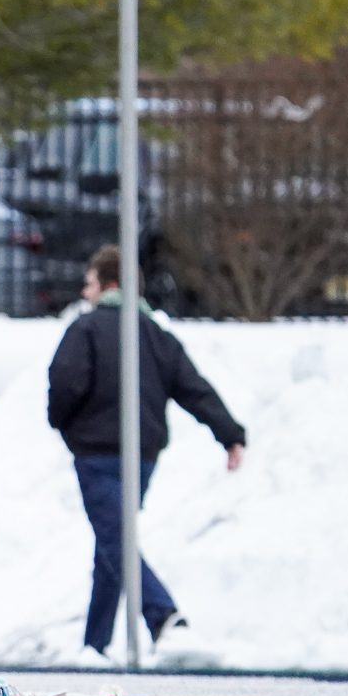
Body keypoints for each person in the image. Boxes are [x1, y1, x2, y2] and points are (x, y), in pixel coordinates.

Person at [47, 244, 247, 661]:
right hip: (142, 456)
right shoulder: (157, 336)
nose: (85, 294)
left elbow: (65, 384)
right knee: (114, 542)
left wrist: (63, 423)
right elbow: (195, 389)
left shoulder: (86, 330)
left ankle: (165, 619)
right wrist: (229, 433)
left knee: (116, 541)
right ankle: (94, 646)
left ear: (109, 283)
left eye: (89, 284)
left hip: (97, 454)